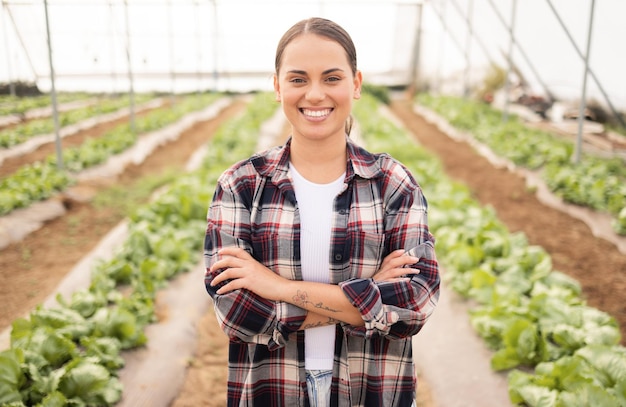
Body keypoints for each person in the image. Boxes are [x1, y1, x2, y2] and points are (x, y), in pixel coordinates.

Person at [204, 17, 440, 407]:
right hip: (273, 390)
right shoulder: (241, 185)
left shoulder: (392, 183)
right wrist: (369, 299)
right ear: (277, 86)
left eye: (331, 78)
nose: (315, 94)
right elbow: (236, 314)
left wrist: (276, 288)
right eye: (298, 79)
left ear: (356, 84)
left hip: (372, 390)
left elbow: (414, 303)